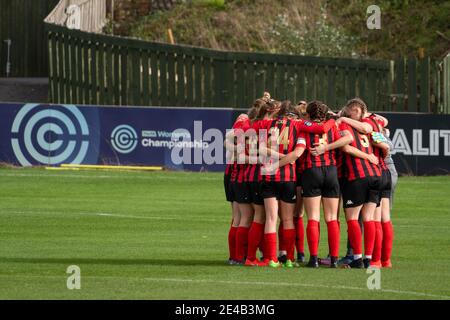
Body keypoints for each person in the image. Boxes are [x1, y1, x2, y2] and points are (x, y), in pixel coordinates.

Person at [294, 101, 353, 268]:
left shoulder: (305, 128)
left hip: (311, 171)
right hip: (331, 172)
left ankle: (313, 259)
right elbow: (348, 138)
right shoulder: (333, 127)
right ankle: (334, 259)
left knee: (313, 217)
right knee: (332, 218)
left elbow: (300, 149)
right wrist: (328, 147)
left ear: (309, 114)